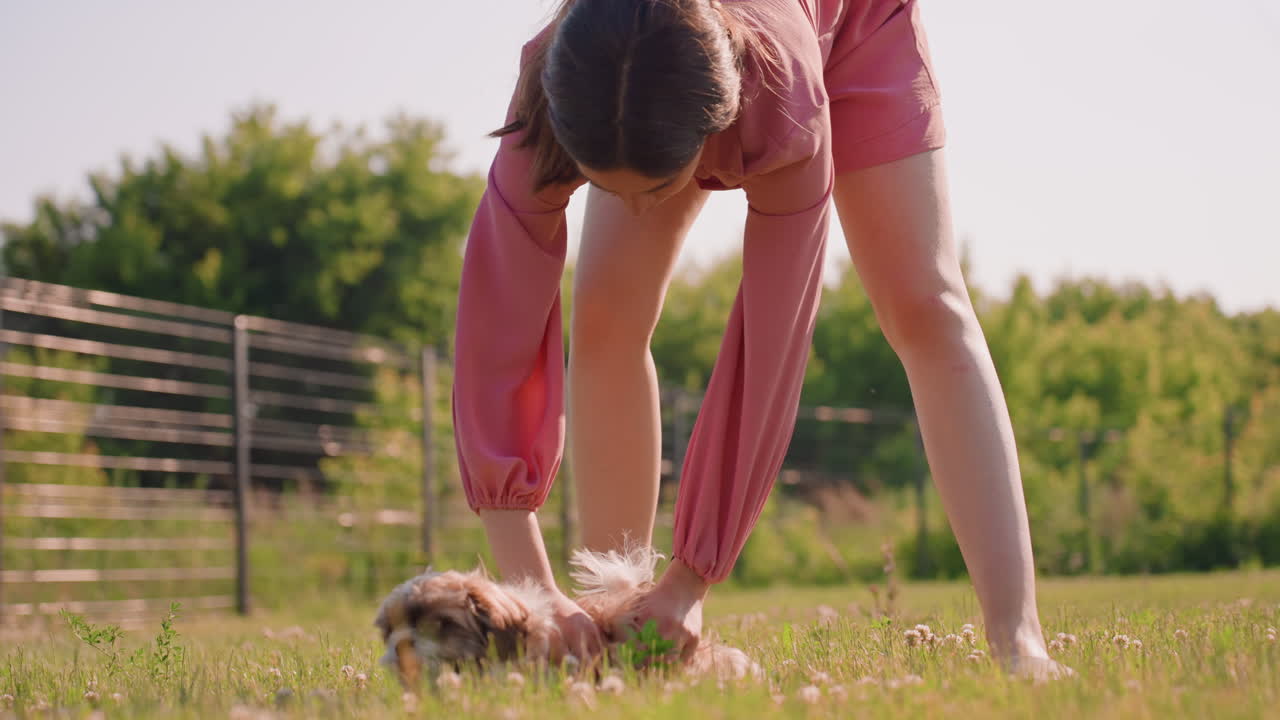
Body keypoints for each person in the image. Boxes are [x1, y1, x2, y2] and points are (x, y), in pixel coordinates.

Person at [452, 0, 1069, 678]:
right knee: (605, 314)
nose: (631, 207)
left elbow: (769, 348)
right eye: (607, 186)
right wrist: (535, 596)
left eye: (652, 188)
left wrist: (693, 578)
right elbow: (495, 333)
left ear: (715, 128)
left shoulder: (784, 107)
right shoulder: (561, 79)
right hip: (661, 67)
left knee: (924, 304)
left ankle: (1019, 640)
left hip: (846, 26)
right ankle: (618, 624)